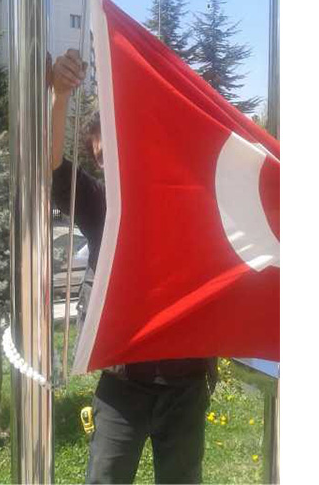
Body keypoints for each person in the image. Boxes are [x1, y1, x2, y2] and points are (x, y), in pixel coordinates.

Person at [48, 49, 218, 485]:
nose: (111, 163)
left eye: (117, 149)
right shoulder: (99, 202)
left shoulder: (190, 199)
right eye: (101, 157)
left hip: (187, 380)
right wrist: (60, 97)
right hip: (123, 383)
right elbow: (51, 167)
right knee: (105, 478)